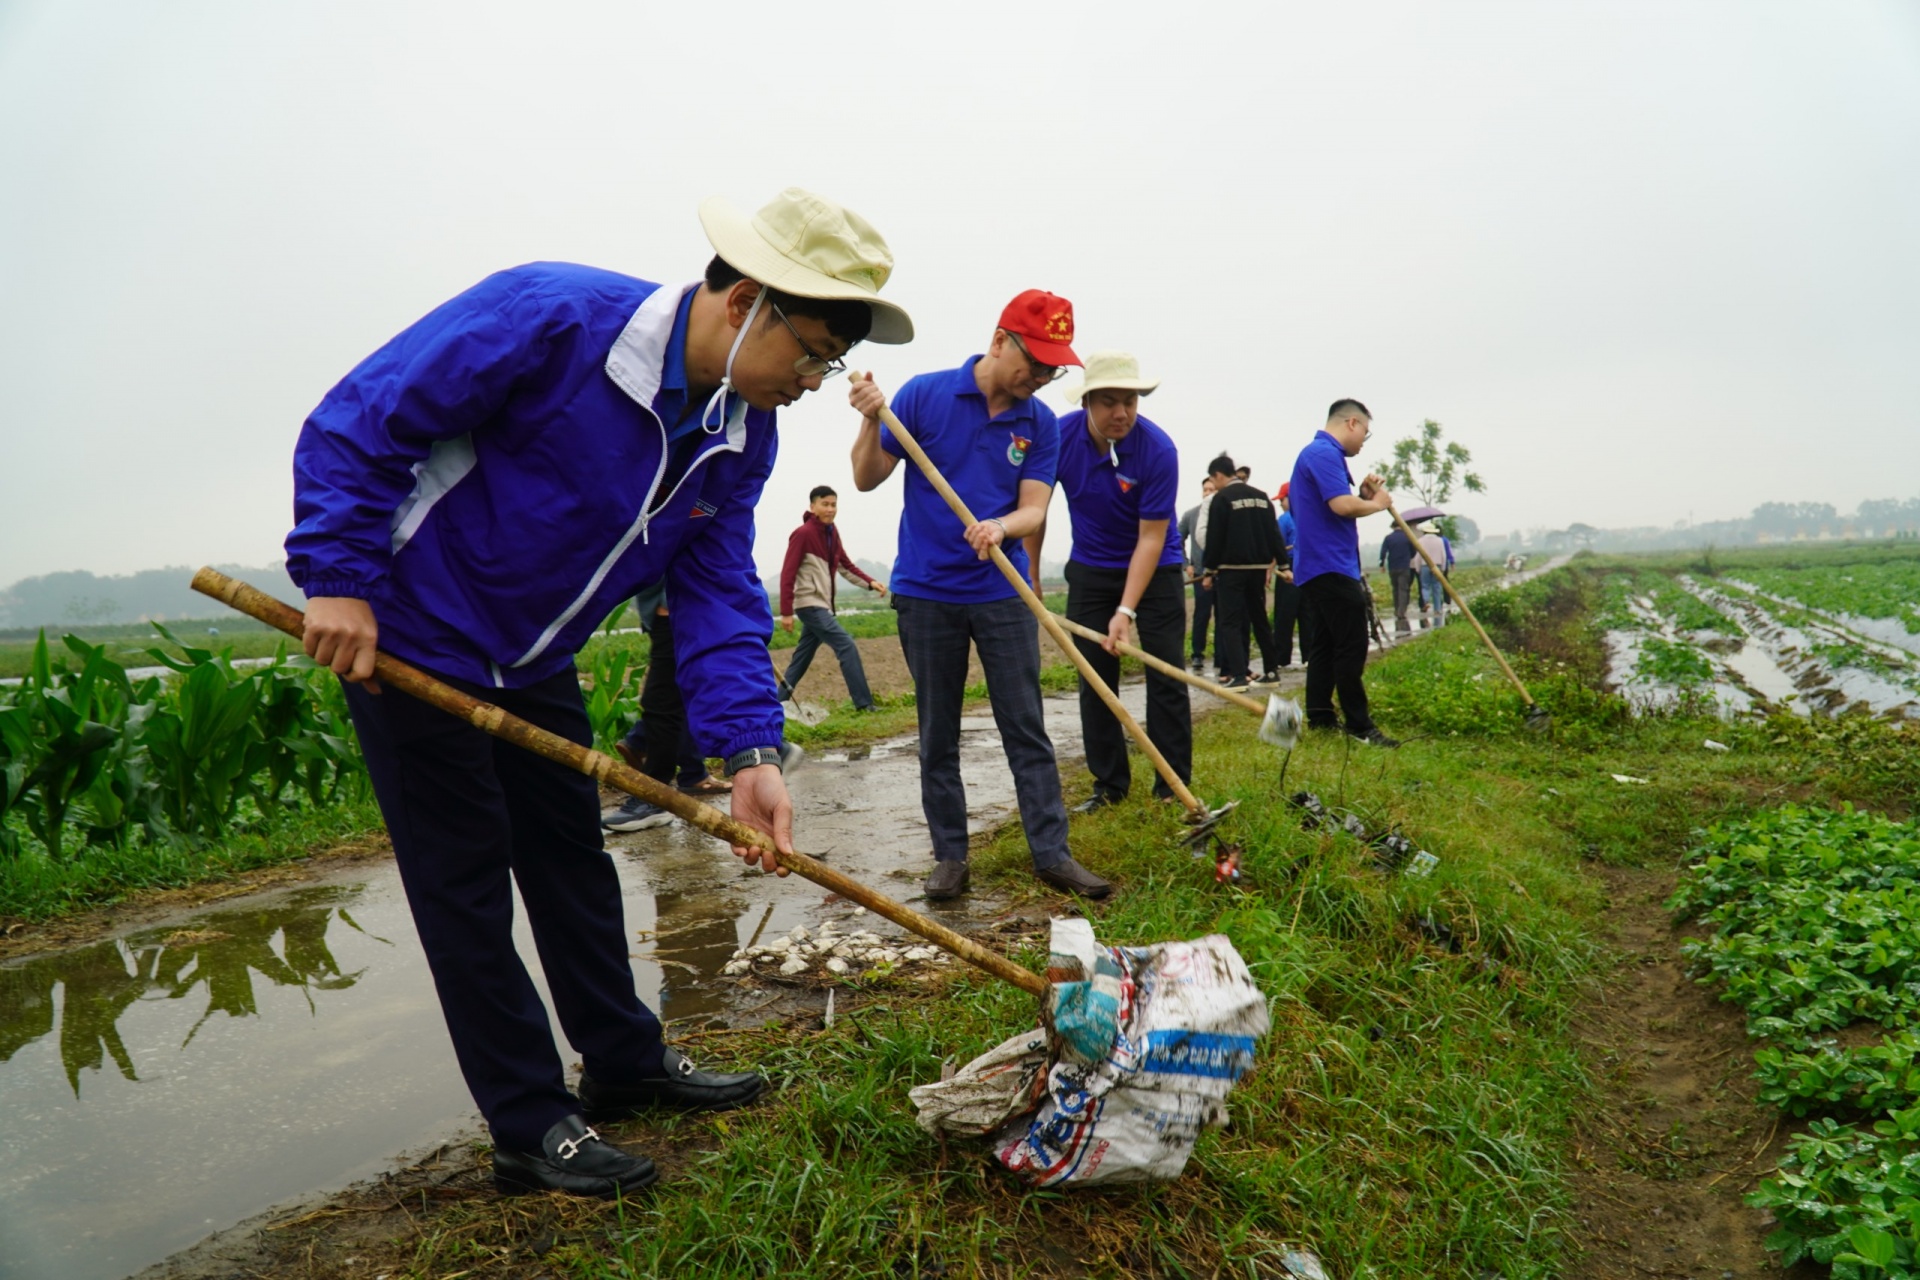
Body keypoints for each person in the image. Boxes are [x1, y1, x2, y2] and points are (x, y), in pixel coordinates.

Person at [285, 187, 913, 1198]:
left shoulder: (739, 433)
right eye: (811, 352)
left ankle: (623, 1060)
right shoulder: (552, 318)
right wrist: (341, 576)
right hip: (416, 633)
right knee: (466, 881)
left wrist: (751, 751)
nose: (813, 380)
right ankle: (530, 1121)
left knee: (571, 854)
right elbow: (361, 419)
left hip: (533, 656)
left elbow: (713, 589)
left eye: (827, 362)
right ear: (745, 297)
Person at [849, 289, 1111, 901]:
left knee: (1026, 727)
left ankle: (1051, 854)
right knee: (937, 732)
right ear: (999, 341)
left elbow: (1034, 508)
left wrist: (1000, 526)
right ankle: (950, 858)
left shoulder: (1039, 423)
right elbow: (865, 478)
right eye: (1036, 362)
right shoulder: (924, 394)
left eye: (1053, 368)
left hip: (1002, 590)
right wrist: (870, 415)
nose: (1043, 377)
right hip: (926, 593)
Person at [1026, 350, 1191, 812]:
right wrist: (1032, 572)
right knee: (1095, 678)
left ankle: (1170, 787)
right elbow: (1036, 509)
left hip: (1156, 569)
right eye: (1109, 402)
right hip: (1092, 569)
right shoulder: (1058, 436)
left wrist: (1126, 611)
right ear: (1087, 403)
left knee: (1165, 672)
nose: (1121, 413)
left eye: (1130, 402)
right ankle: (1110, 786)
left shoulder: (1158, 450)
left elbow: (1151, 539)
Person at [1288, 399, 1399, 747]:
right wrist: (1377, 504)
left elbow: (1339, 505)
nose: (1365, 439)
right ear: (1352, 423)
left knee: (1325, 644)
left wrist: (1363, 495)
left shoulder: (1320, 455)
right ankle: (1359, 725)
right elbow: (1341, 505)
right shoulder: (1323, 453)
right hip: (1330, 565)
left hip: (1320, 565)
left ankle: (1320, 717)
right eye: (1366, 431)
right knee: (1351, 646)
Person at [602, 585, 730, 835]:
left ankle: (653, 797)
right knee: (679, 693)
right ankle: (692, 773)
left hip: (675, 603)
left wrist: (664, 602)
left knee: (660, 702)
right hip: (678, 603)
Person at [777, 485, 885, 710]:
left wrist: (870, 582)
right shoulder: (803, 534)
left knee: (802, 657)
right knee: (846, 645)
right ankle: (864, 705)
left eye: (833, 504)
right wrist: (786, 611)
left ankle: (777, 702)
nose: (830, 509)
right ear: (813, 506)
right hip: (809, 604)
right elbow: (788, 572)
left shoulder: (831, 533)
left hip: (821, 605)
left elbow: (845, 565)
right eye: (825, 504)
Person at [1200, 454, 1285, 692]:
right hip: (1258, 570)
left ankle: (1238, 676)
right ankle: (1271, 671)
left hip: (1231, 571)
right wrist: (1284, 565)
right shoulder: (1261, 497)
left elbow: (1214, 538)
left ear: (1218, 475)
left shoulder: (1222, 498)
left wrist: (1208, 570)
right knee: (1259, 619)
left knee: (1230, 622)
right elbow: (1273, 533)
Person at [1179, 477, 1217, 671]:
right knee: (1201, 615)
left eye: (1212, 489)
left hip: (1223, 574)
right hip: (1201, 575)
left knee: (1225, 617)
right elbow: (1176, 541)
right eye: (1205, 490)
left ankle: (1223, 656)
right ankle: (1197, 655)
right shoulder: (1191, 515)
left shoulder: (1223, 513)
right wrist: (1186, 565)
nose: (1208, 493)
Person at [1272, 482, 1304, 666]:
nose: (1280, 503)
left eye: (1282, 499)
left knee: (1284, 614)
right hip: (1307, 566)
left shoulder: (1284, 520)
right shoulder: (1310, 516)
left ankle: (1282, 658)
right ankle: (1308, 655)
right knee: (1307, 612)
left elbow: (1277, 546)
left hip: (1288, 566)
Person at [1378, 524, 1417, 632]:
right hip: (1404, 566)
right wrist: (1409, 557)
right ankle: (1402, 611)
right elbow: (1414, 551)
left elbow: (1383, 552)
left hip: (1392, 567)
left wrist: (1381, 564)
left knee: (1395, 589)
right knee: (1403, 589)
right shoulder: (1407, 536)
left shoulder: (1388, 538)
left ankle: (1396, 609)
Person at [1416, 525, 1453, 625]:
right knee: (1437, 587)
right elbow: (1443, 555)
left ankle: (1426, 601)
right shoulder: (1439, 540)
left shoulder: (1420, 540)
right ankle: (1437, 609)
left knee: (1425, 586)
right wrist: (1443, 568)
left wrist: (1417, 568)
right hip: (1437, 565)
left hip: (1424, 565)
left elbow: (1418, 555)